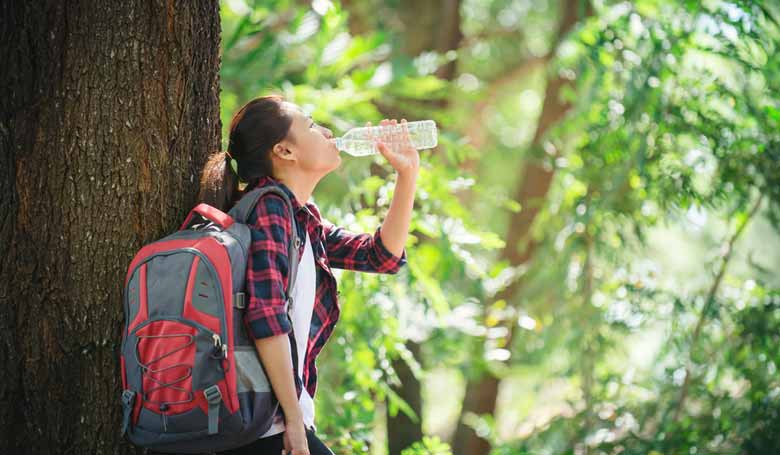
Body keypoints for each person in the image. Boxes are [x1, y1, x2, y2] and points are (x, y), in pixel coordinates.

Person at [197, 94, 419, 455]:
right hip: (264, 425)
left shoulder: (301, 218)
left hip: (270, 422)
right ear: (285, 151)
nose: (328, 131)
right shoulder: (270, 209)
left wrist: (407, 174)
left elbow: (381, 257)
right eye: (313, 125)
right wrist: (294, 420)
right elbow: (265, 318)